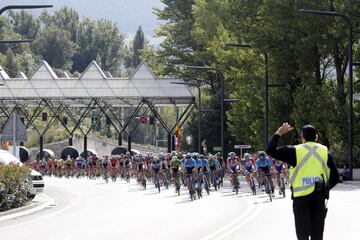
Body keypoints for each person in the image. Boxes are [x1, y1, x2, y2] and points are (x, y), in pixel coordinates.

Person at [266, 123, 339, 240]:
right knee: (317, 235)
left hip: (301, 199)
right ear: (316, 137)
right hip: (319, 197)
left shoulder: (294, 151)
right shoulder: (325, 152)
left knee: (302, 235)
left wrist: (279, 133)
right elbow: (335, 177)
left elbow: (270, 150)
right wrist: (325, 189)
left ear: (301, 138)